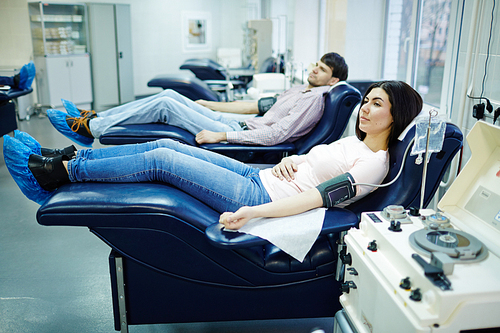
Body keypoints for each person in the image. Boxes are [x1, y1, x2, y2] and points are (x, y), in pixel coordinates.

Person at [4, 81, 422, 231]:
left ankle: (61, 172)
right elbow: (309, 166)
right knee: (169, 146)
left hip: (261, 197)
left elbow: (314, 200)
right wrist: (287, 161)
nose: (365, 108)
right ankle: (73, 158)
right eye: (366, 101)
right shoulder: (355, 144)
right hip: (263, 175)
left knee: (163, 163)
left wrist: (254, 214)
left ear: (395, 115)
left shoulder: (373, 164)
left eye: (377, 104)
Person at [46, 52, 348, 147]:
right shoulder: (300, 89)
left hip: (240, 133)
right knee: (168, 95)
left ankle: (92, 127)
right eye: (315, 65)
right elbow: (258, 108)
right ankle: (95, 118)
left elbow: (276, 135)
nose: (313, 70)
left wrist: (222, 134)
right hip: (239, 122)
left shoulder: (315, 99)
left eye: (321, 69)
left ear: (333, 80)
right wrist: (210, 105)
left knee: (164, 105)